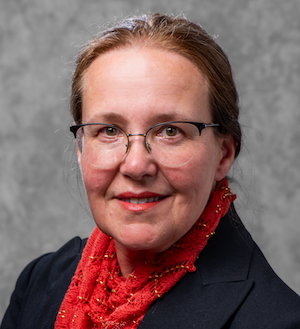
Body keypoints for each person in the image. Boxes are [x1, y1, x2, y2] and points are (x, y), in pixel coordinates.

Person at [1, 13, 300, 329]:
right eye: (109, 131)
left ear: (223, 154)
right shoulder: (39, 284)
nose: (136, 166)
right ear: (81, 148)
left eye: (170, 131)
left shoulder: (278, 321)